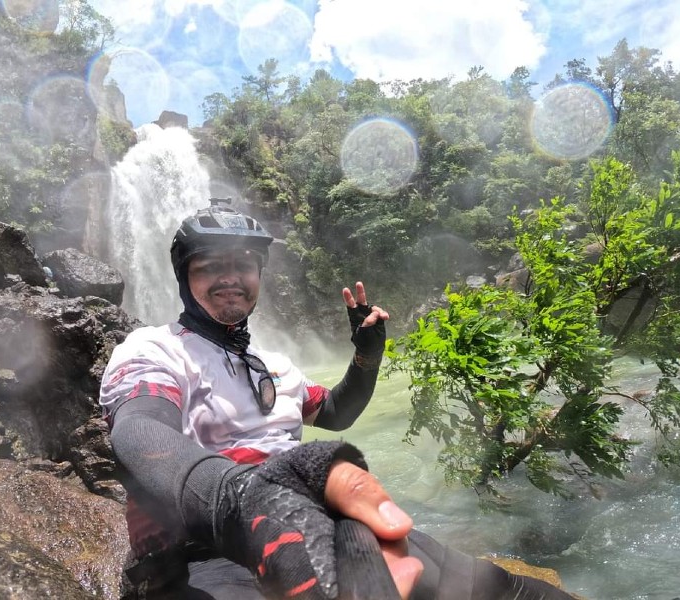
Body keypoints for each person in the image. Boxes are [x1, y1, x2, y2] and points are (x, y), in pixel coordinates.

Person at [99, 198, 575, 599]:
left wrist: (367, 355)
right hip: (203, 553)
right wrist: (239, 497)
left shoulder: (276, 367)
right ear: (185, 276)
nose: (231, 278)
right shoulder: (154, 350)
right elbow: (140, 430)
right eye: (211, 265)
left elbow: (337, 411)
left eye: (243, 265)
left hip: (320, 524)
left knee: (512, 590)